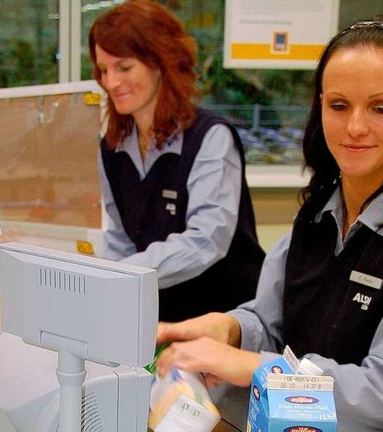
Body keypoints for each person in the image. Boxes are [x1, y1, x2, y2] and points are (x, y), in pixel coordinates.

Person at [156, 15, 383, 432]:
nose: (355, 127)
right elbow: (273, 320)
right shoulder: (316, 212)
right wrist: (231, 329)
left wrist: (253, 366)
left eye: (381, 108)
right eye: (338, 105)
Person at [88, 0, 265, 323]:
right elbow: (120, 237)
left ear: (161, 62)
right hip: (160, 318)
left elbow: (206, 239)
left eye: (124, 67)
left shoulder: (210, 138)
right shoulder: (111, 147)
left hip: (223, 318)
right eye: (103, 70)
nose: (111, 82)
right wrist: (107, 286)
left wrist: (118, 277)